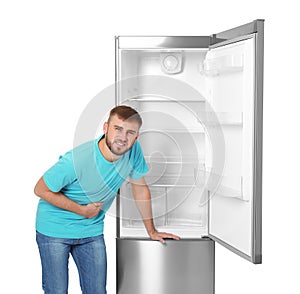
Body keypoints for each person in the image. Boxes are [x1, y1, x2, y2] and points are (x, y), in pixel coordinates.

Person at [34, 105, 179, 294]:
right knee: (56, 291)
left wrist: (151, 231)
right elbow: (40, 189)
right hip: (54, 228)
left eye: (130, 132)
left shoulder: (133, 151)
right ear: (105, 128)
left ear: (136, 137)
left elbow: (140, 189)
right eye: (117, 129)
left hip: (90, 230)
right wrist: (82, 210)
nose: (122, 137)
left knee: (96, 291)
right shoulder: (79, 160)